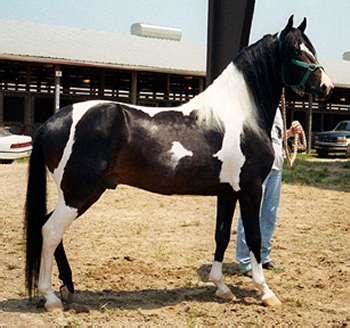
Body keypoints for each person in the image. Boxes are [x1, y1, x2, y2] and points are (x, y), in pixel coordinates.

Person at [235, 109, 302, 275]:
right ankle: (245, 260)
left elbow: (275, 137)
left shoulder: (277, 110)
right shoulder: (255, 105)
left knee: (270, 214)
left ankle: (263, 256)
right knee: (251, 212)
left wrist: (290, 133)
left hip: (276, 167)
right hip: (258, 167)